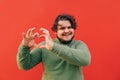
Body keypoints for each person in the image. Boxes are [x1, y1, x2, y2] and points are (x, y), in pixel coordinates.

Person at [16, 14, 91, 80]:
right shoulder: (45, 46)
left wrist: (53, 47)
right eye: (62, 28)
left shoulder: (79, 45)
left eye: (69, 27)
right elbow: (24, 66)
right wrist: (24, 47)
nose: (67, 30)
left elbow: (85, 61)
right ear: (55, 31)